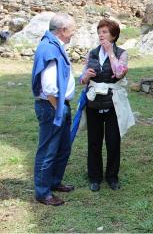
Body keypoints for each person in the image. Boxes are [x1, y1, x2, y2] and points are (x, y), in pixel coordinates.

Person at [80, 19, 135, 192]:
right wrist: (87, 76)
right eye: (99, 32)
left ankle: (112, 176)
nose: (101, 35)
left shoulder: (122, 53)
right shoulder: (91, 54)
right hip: (93, 102)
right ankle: (94, 177)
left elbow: (119, 73)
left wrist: (110, 52)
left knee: (113, 141)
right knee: (94, 142)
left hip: (113, 103)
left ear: (113, 35)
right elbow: (82, 80)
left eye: (104, 32)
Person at [31, 13, 76, 206]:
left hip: (58, 105)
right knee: (48, 150)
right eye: (72, 29)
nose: (73, 34)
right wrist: (59, 109)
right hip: (52, 106)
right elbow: (49, 87)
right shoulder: (49, 48)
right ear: (63, 30)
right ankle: (43, 193)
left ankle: (54, 182)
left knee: (62, 147)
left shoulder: (54, 46)